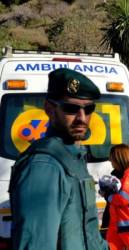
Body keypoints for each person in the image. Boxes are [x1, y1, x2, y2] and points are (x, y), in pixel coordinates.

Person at [9, 68, 108, 250]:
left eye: (89, 109)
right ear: (49, 109)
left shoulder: (73, 156)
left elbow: (88, 235)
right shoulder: (43, 167)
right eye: (71, 109)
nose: (82, 118)